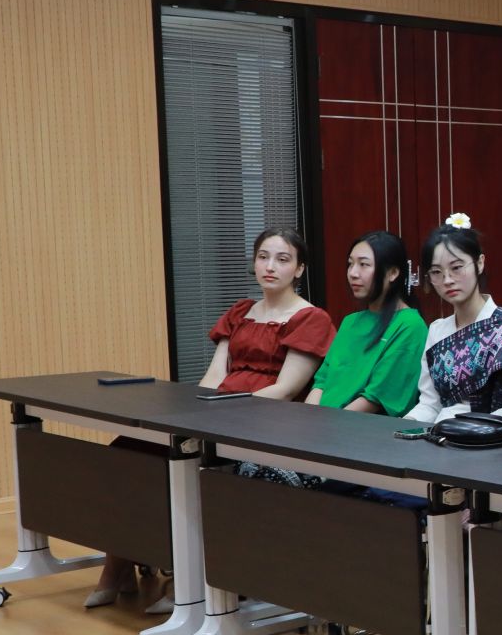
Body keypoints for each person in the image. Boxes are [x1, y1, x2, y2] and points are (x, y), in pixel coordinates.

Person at [84, 227, 333, 610]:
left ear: (299, 269)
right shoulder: (240, 311)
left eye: (283, 260)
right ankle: (117, 565)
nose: (270, 266)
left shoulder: (311, 318)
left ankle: (186, 581)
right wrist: (192, 416)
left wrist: (224, 415)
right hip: (218, 412)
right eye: (263, 257)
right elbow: (214, 377)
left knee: (190, 468)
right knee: (128, 451)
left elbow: (284, 390)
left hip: (264, 422)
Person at [406, 214, 502, 425]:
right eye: (436, 272)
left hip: (488, 434)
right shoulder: (437, 330)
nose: (447, 280)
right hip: (440, 433)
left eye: (457, 267)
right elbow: (430, 405)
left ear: (480, 263)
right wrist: (406, 425)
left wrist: (474, 434)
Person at [306, 230, 428, 415]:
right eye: (350, 264)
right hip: (323, 422)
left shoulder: (410, 325)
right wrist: (308, 419)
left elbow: (377, 398)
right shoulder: (350, 322)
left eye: (364, 264)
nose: (353, 273)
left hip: (361, 427)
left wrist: (325, 425)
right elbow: (322, 381)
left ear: (393, 273)